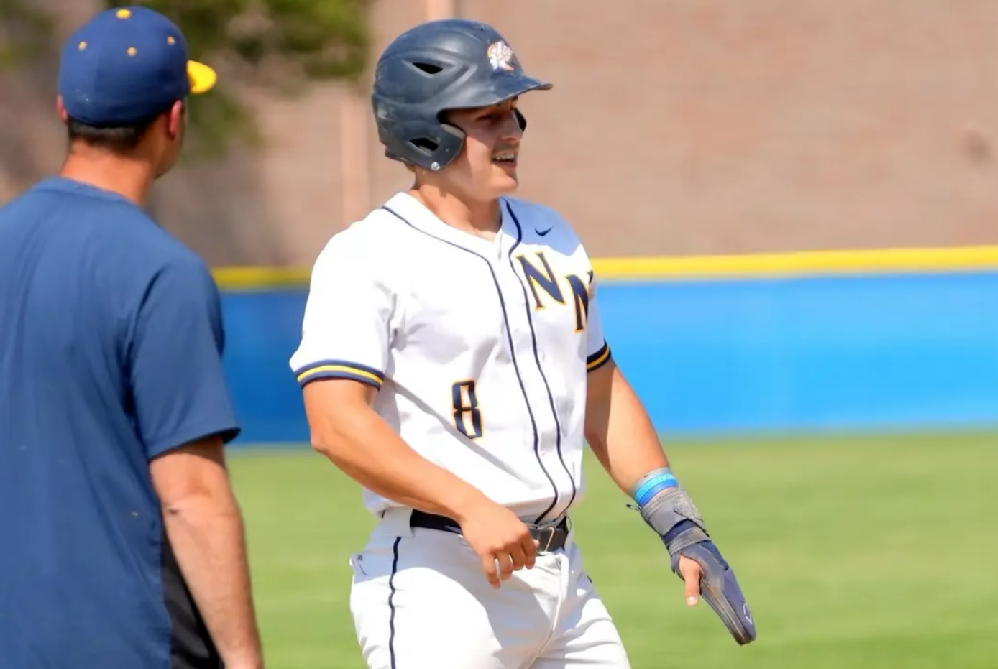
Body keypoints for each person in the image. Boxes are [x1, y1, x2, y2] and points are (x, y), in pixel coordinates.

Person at [291, 18, 755, 669]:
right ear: (424, 129)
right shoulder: (368, 254)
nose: (511, 132)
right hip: (441, 578)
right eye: (487, 116)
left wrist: (677, 518)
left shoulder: (551, 235)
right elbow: (335, 424)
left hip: (563, 581)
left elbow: (599, 387)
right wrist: (468, 504)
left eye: (513, 112)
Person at [0, 6, 264, 669]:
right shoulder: (160, 271)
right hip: (128, 638)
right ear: (173, 118)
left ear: (63, 109)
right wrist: (244, 658)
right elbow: (191, 496)